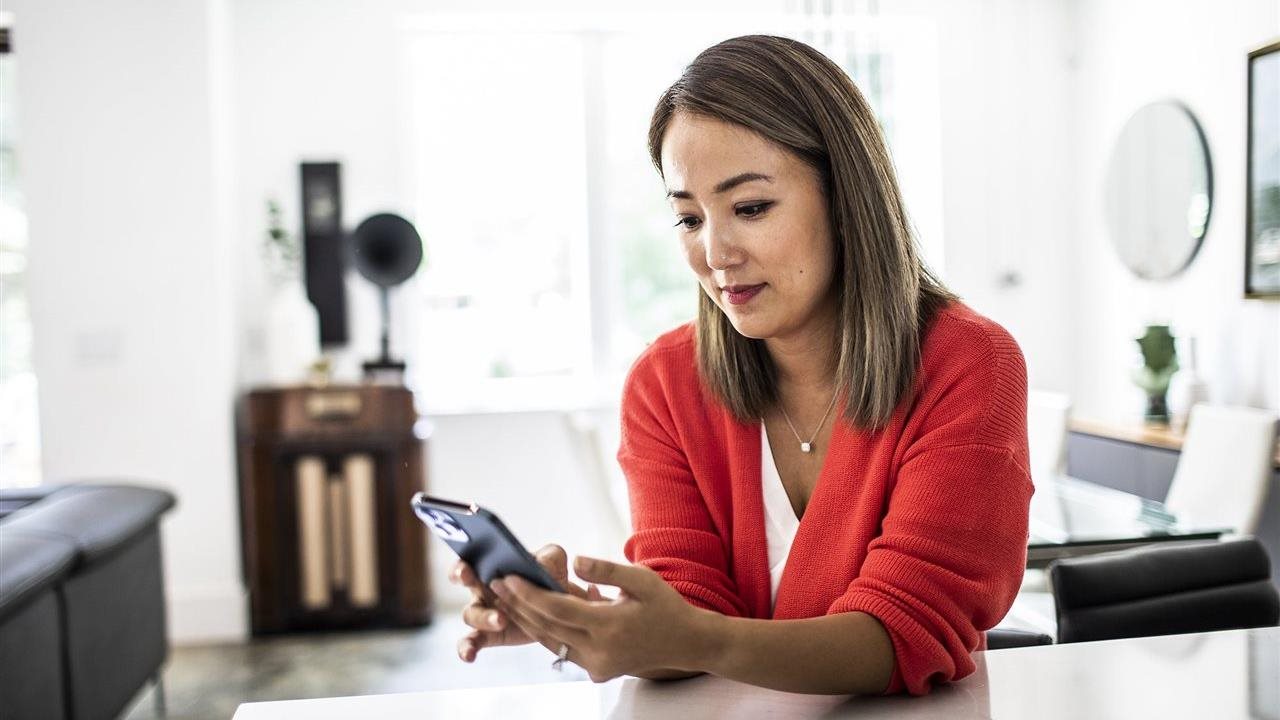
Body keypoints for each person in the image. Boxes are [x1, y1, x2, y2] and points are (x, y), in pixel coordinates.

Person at [449, 34, 1032, 696]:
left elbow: (905, 632)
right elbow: (687, 609)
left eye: (750, 208)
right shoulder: (664, 384)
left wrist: (694, 637)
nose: (716, 252)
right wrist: (575, 618)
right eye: (689, 218)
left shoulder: (967, 363)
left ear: (845, 200)